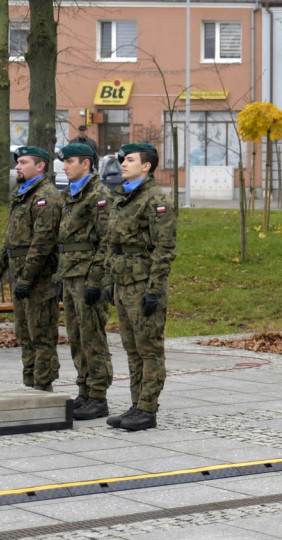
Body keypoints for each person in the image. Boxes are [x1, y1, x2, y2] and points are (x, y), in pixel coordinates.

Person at [102, 143, 177, 431]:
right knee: (132, 349)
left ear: (146, 166)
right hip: (123, 284)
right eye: (123, 160)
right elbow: (114, 244)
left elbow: (164, 249)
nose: (123, 163)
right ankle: (136, 404)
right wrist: (110, 281)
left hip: (143, 284)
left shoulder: (155, 200)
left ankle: (147, 409)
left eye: (130, 160)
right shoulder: (124, 197)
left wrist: (154, 289)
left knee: (149, 350)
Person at [0, 146, 63, 391]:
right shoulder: (22, 193)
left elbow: (42, 243)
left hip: (38, 279)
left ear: (40, 166)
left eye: (23, 162)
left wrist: (26, 279)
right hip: (20, 276)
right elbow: (10, 240)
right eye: (17, 162)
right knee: (25, 335)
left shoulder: (47, 196)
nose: (17, 166)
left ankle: (43, 387)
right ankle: (30, 384)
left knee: (41, 337)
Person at [57, 143, 114, 419]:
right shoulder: (73, 193)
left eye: (70, 161)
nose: (65, 166)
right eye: (64, 162)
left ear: (86, 164)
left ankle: (98, 396)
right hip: (71, 275)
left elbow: (106, 240)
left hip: (88, 276)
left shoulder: (98, 194)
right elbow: (67, 240)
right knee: (76, 337)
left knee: (92, 338)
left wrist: (96, 280)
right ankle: (84, 390)